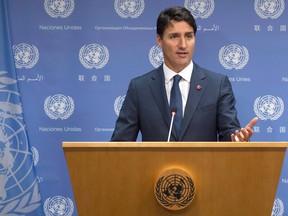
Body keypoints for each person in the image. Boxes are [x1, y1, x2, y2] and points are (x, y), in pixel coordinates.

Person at [111, 6, 258, 142]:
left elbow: (230, 135)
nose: (183, 45)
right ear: (159, 41)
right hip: (155, 170)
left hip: (204, 170)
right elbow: (120, 145)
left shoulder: (217, 85)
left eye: (189, 36)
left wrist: (238, 140)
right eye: (174, 37)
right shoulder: (140, 88)